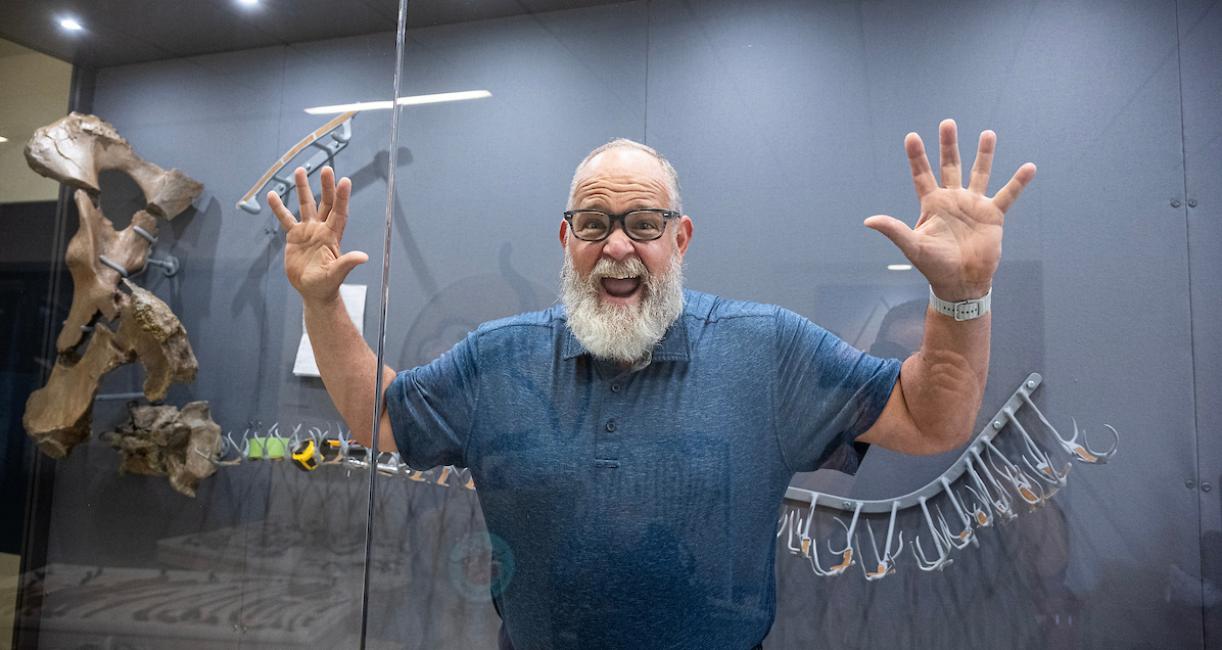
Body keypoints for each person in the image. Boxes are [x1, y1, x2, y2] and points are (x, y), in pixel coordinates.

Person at [268, 118, 1035, 649]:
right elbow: (381, 417)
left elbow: (931, 418)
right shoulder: (498, 360)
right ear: (566, 239)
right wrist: (321, 302)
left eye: (644, 223)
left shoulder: (764, 349)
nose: (619, 248)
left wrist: (960, 297)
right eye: (595, 224)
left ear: (681, 237)